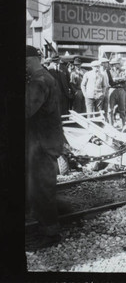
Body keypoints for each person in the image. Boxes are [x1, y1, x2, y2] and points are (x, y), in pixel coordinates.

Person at [25, 45, 66, 248]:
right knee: (39, 187)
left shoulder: (38, 81)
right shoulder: (45, 77)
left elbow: (25, 110)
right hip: (44, 140)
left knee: (41, 188)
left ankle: (51, 233)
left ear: (27, 61)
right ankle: (45, 228)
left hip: (42, 143)